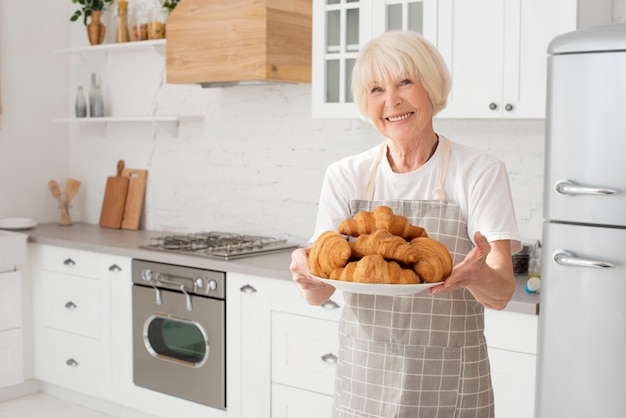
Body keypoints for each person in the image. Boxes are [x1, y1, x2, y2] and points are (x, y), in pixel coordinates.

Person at [290, 30, 521, 417]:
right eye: (376, 88)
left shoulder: (479, 172)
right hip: (365, 376)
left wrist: (478, 275)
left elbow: (502, 292)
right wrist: (305, 277)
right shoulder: (346, 175)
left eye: (405, 82)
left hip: (450, 380)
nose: (391, 100)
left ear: (431, 87)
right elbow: (319, 292)